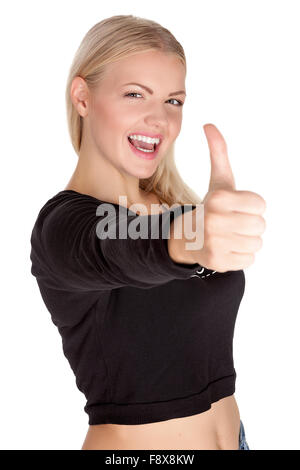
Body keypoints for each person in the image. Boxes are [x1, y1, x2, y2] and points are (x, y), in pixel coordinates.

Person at [30, 15, 265, 450]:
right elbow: (121, 244)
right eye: (135, 94)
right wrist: (190, 238)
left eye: (173, 101)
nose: (158, 119)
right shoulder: (62, 229)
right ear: (82, 97)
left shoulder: (183, 208)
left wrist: (193, 225)